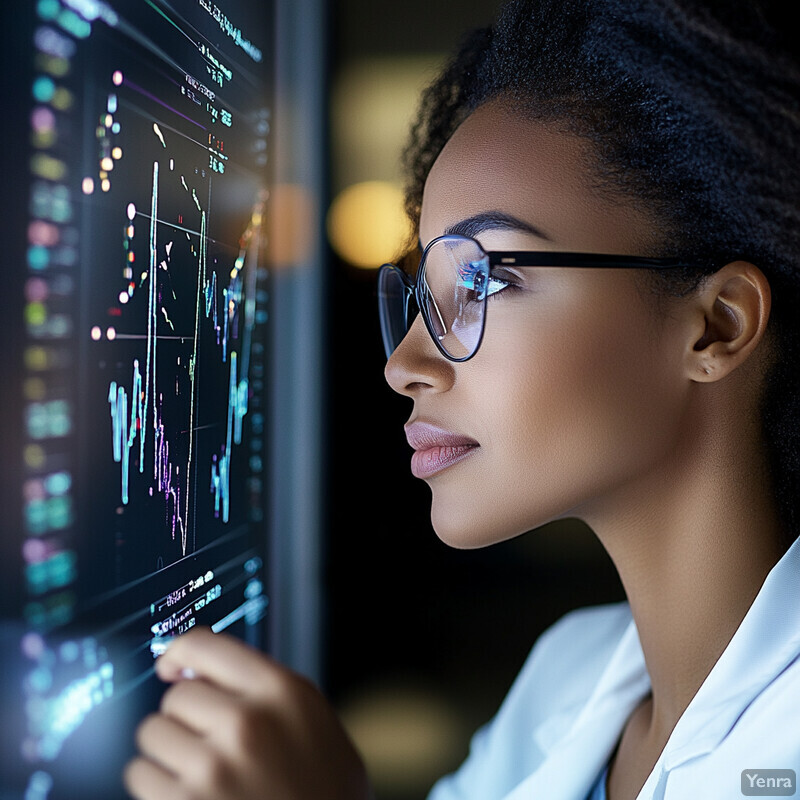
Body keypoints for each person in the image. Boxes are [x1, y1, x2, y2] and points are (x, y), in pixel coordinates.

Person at [123, 0, 800, 798]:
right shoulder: (567, 676)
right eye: (424, 294)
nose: (406, 364)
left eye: (486, 279)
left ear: (716, 327)